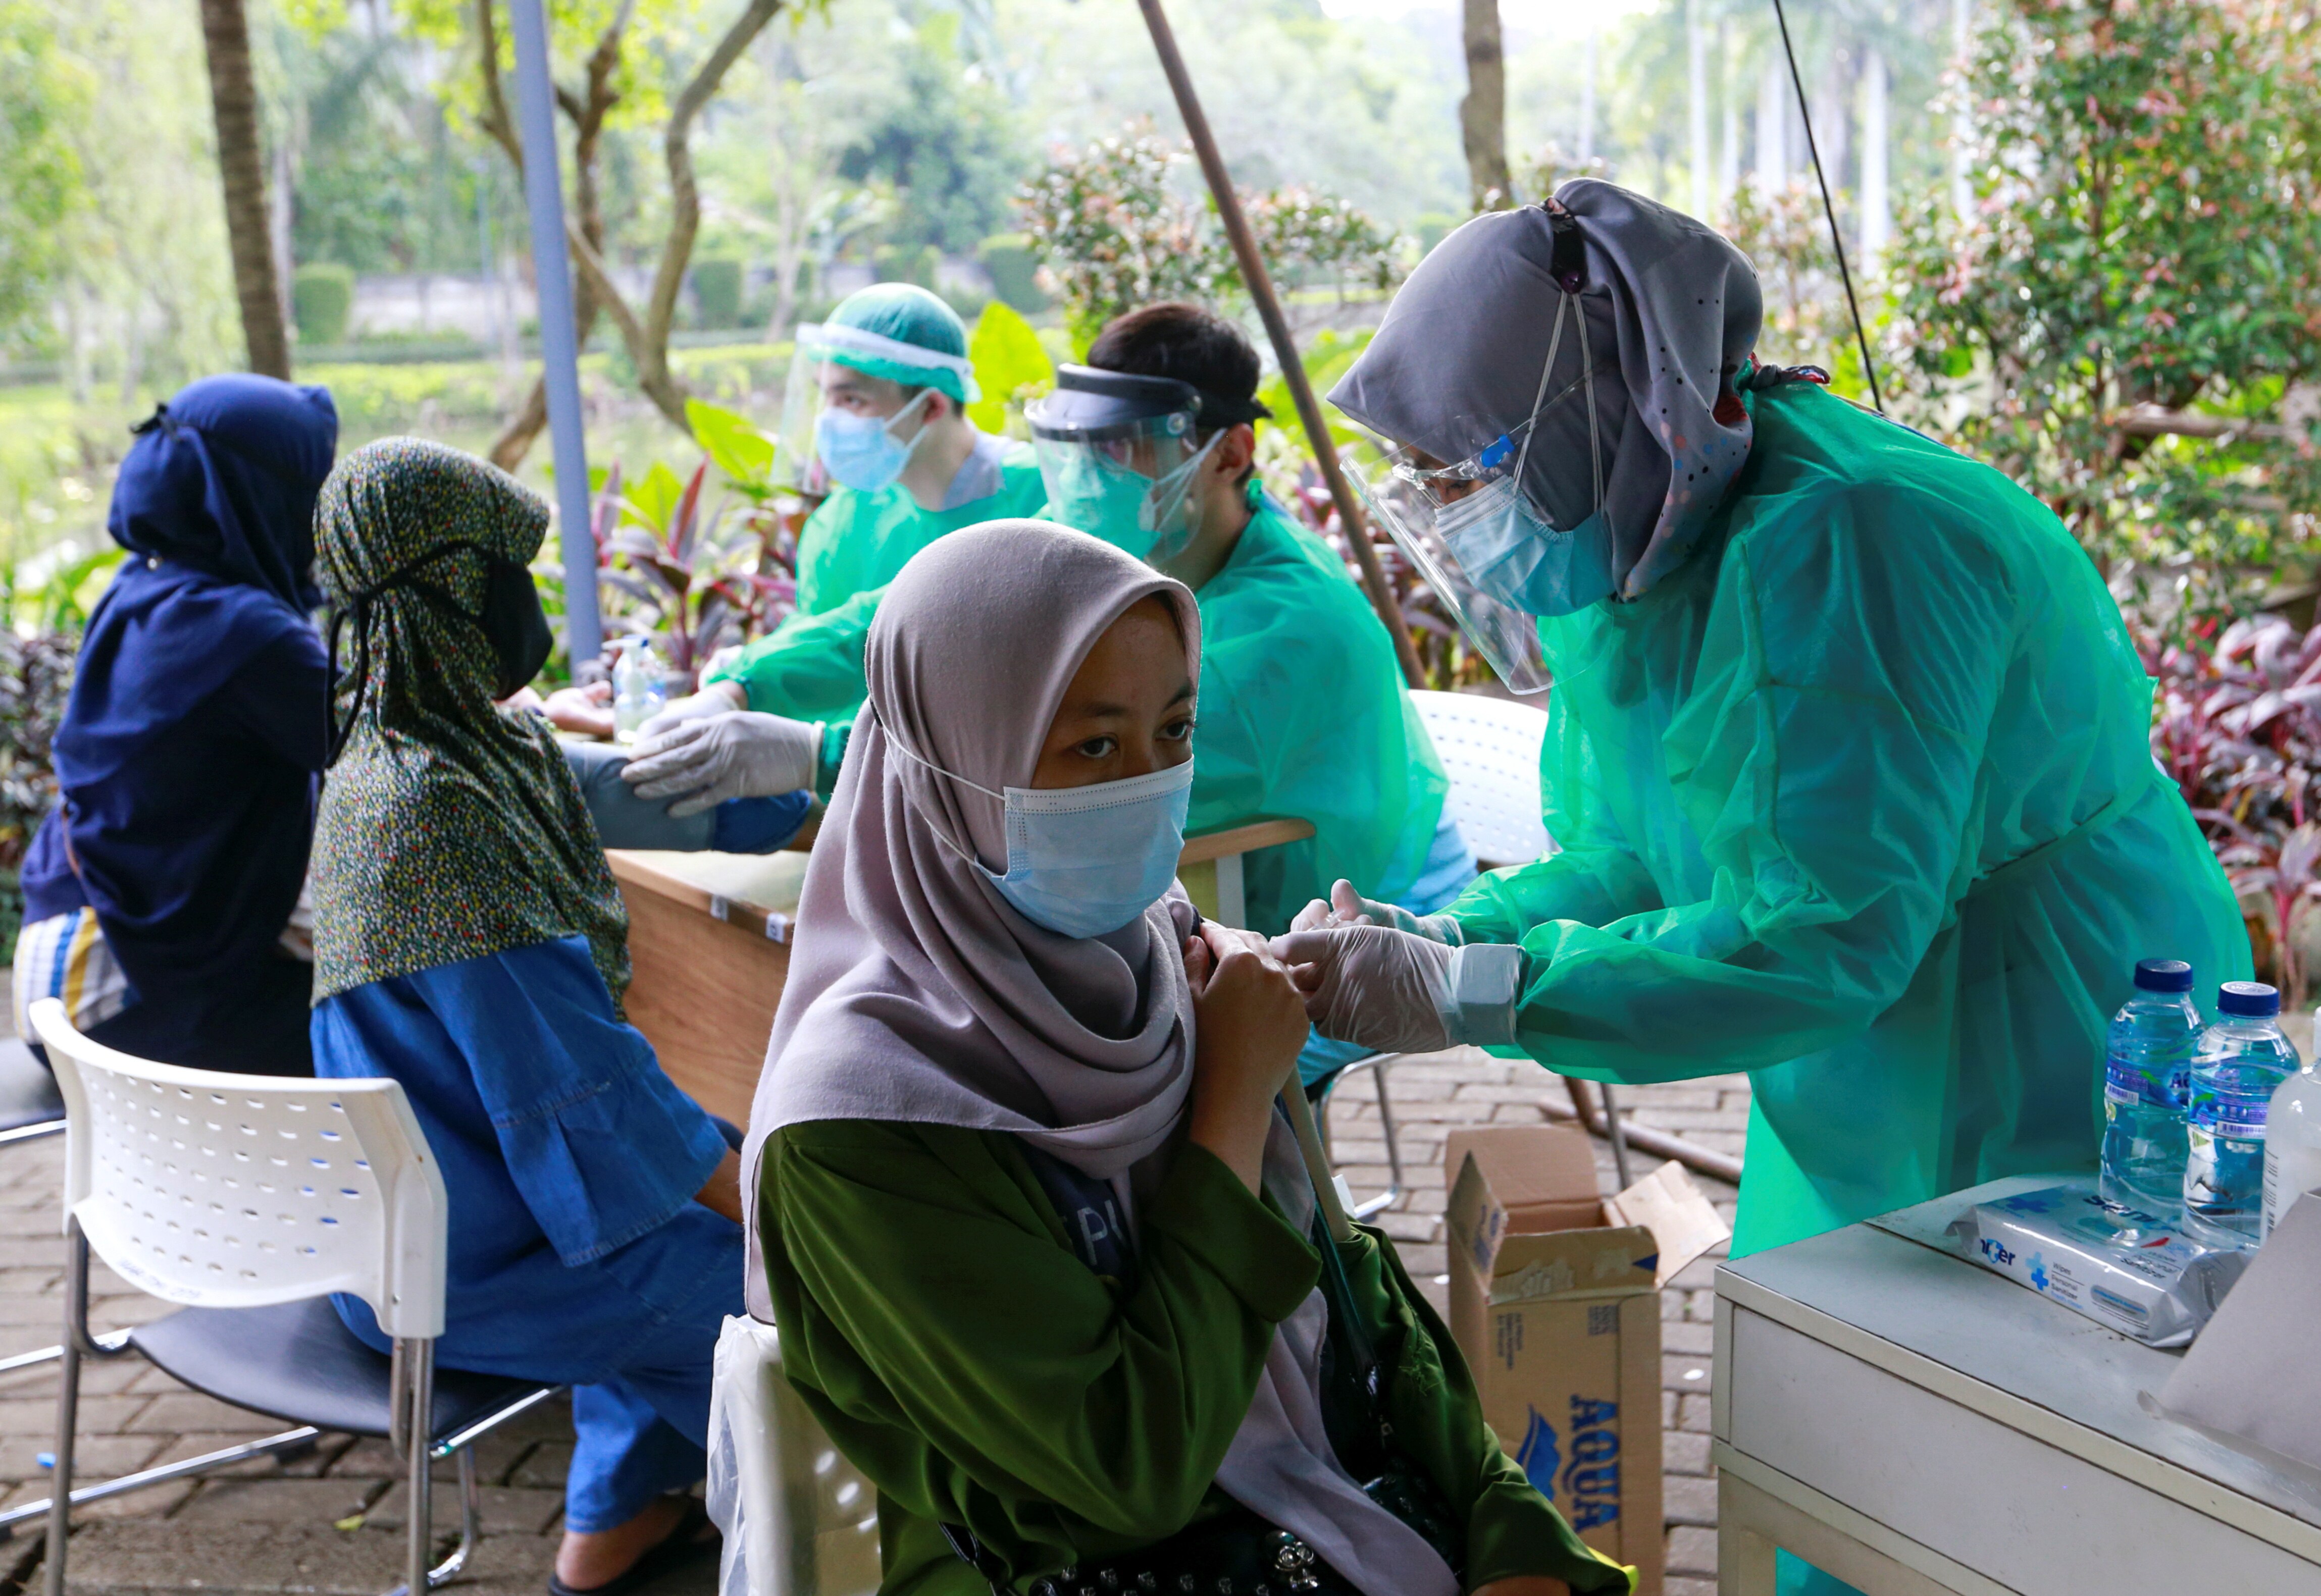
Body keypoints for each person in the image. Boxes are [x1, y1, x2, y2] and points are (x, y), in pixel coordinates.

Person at [1270, 182, 2248, 1596]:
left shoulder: (1851, 542)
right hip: (1858, 1050)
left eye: (1462, 466)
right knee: (1834, 1436)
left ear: (1578, 415)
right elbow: (1629, 852)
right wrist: (1446, 937)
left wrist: (1469, 993)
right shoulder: (1640, 545)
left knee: (2007, 1477)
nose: (1443, 510)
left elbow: (1818, 932)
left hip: (2035, 1026)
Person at [743, 518, 1628, 1596]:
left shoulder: (1169, 967)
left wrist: (1508, 1530)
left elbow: (1360, 1318)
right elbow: (1128, 1477)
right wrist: (1232, 1109)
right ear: (951, 769)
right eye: (1094, 746)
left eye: (1175, 732)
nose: (1148, 787)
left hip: (1340, 1520)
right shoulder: (862, 1129)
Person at [306, 438, 741, 1596]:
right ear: (458, 587)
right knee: (821, 1289)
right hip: (475, 1264)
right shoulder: (436, 822)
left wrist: (817, 774)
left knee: (671, 1213)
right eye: (512, 574)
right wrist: (784, 1200)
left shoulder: (413, 746)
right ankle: (863, 1541)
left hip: (436, 1215)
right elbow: (589, 1107)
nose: (529, 604)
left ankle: (609, 1526)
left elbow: (642, 791)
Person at [11, 375, 337, 1076]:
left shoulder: (144, 588)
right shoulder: (245, 632)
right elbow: (393, 740)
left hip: (63, 968)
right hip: (118, 996)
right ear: (264, 497)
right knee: (400, 1035)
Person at [623, 284, 1047, 811]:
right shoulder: (839, 524)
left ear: (932, 405)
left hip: (1002, 803)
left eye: (852, 399)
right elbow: (834, 661)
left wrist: (750, 683)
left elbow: (903, 629)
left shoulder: (1042, 501)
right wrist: (739, 684)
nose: (830, 420)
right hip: (867, 799)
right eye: (825, 396)